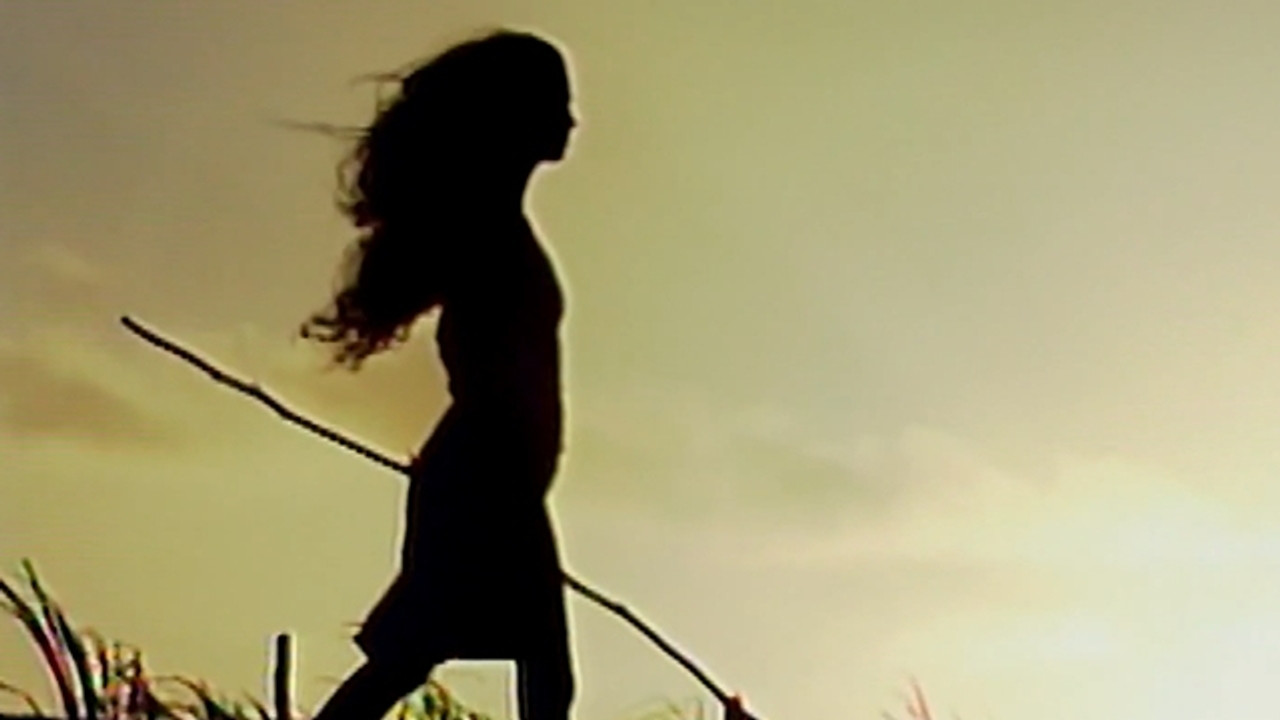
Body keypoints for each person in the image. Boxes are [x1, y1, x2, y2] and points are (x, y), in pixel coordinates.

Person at [298, 28, 579, 720]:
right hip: (487, 474)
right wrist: (509, 487)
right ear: (514, 117)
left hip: (494, 474)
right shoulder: (489, 238)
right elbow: (496, 377)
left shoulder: (494, 230)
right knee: (493, 663)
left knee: (446, 656)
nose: (572, 120)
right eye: (557, 102)